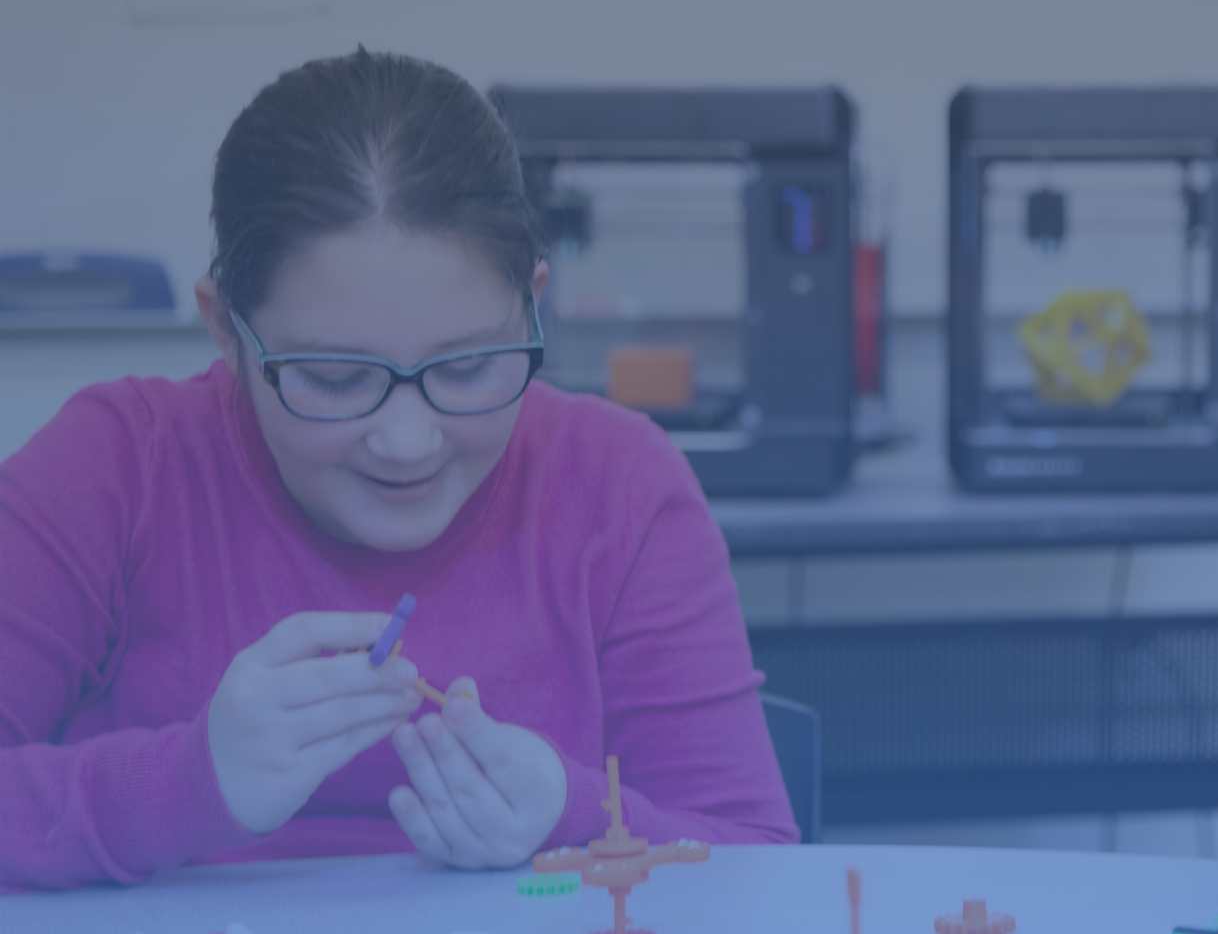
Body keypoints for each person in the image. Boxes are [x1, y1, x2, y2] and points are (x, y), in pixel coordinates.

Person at [0, 48, 798, 891]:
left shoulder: (619, 486)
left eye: (466, 368)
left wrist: (572, 817)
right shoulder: (116, 467)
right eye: (338, 379)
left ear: (532, 300)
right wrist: (186, 784)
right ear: (227, 330)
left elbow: (761, 863)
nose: (409, 442)